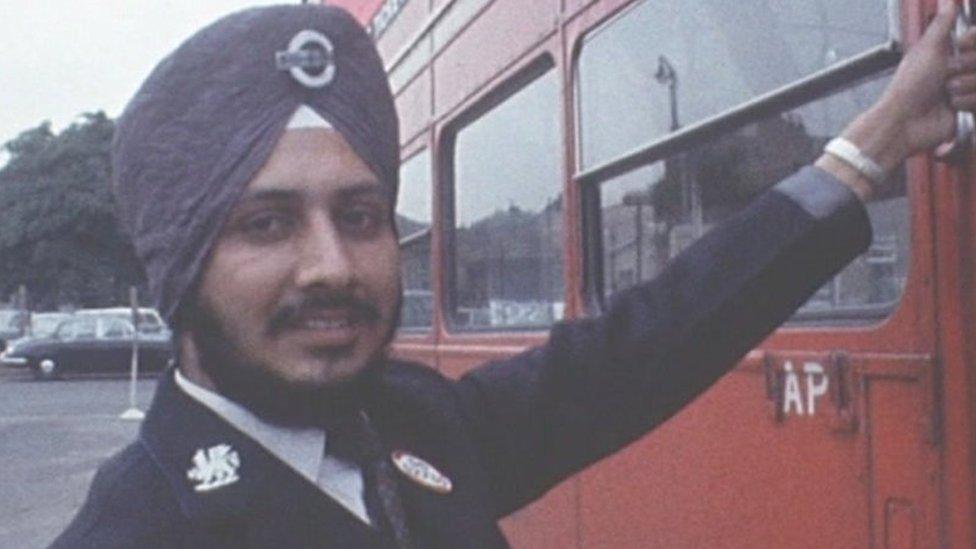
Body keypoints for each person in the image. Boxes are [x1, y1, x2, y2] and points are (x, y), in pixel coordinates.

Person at [52, 1, 976, 547]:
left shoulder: (409, 423)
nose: (332, 265)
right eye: (267, 223)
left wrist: (876, 142)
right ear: (178, 271)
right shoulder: (136, 529)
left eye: (361, 215)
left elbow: (648, 344)